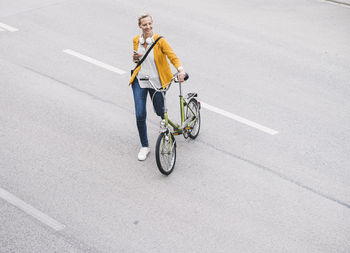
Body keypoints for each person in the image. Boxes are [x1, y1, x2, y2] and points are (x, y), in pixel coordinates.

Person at [129, 14, 186, 161]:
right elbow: (137, 60)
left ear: (152, 24)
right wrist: (135, 58)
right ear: (140, 26)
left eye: (149, 24)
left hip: (158, 81)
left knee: (160, 111)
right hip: (140, 80)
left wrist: (180, 70)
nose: (147, 27)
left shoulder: (160, 41)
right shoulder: (137, 40)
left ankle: (166, 133)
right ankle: (145, 146)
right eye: (144, 25)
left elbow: (172, 56)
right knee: (140, 114)